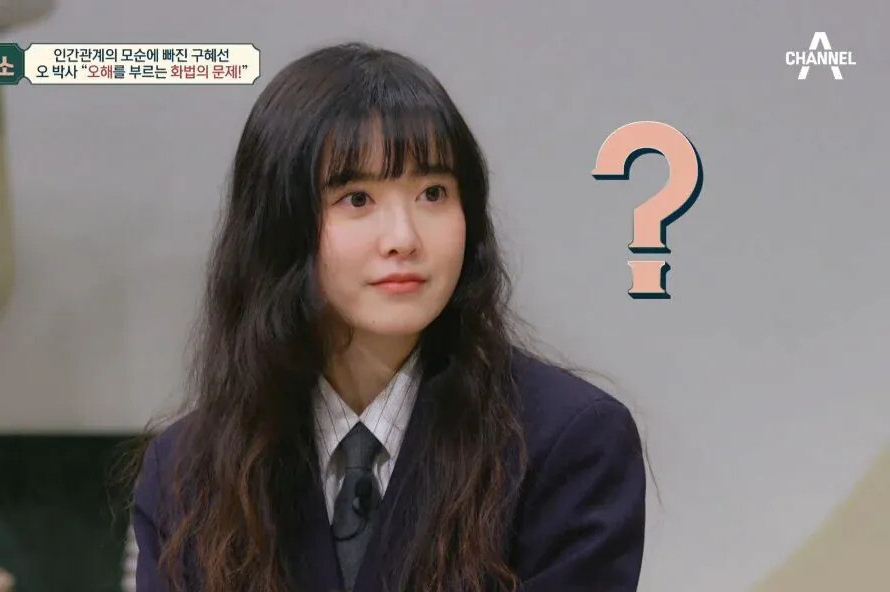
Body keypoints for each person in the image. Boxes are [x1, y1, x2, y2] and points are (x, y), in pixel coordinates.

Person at [130, 41, 646, 592]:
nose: (403, 238)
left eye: (433, 193)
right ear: (278, 224)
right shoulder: (186, 472)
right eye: (357, 199)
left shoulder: (568, 443)